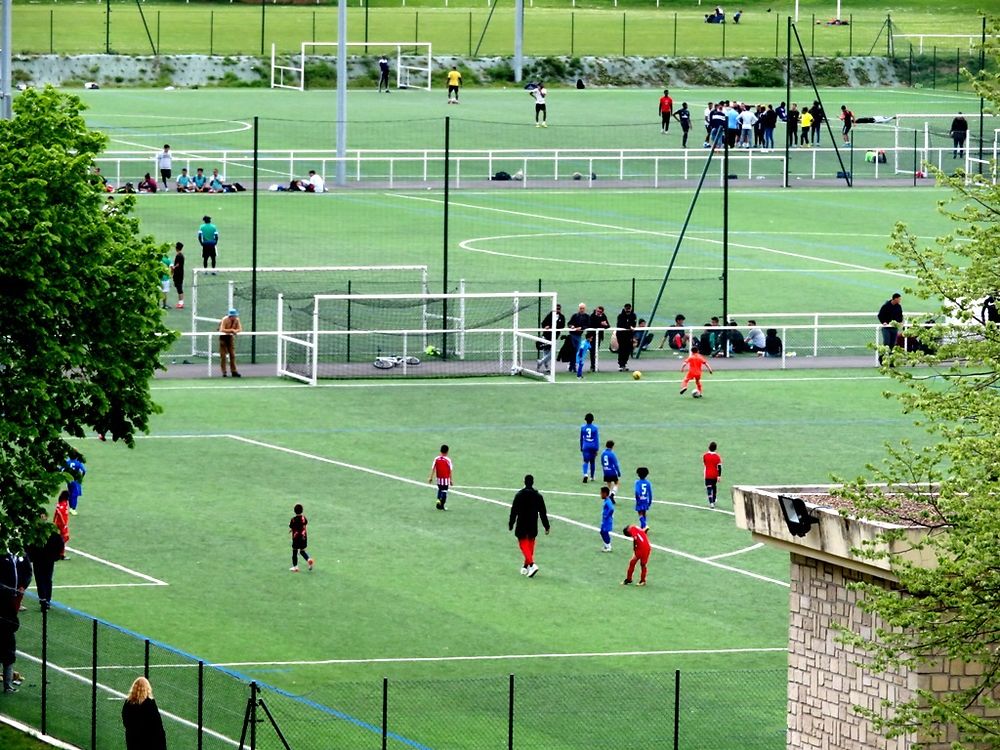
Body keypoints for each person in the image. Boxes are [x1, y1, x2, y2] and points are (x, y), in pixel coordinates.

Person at [0, 551, 32, 693]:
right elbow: (14, 622)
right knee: (8, 655)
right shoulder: (2, 556)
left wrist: (22, 586)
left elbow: (28, 571)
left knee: (9, 656)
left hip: (7, 629)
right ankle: (7, 685)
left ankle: (8, 685)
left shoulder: (21, 554)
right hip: (7, 630)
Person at [508, 474, 550, 578]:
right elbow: (543, 512)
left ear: (524, 482)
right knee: (530, 543)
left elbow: (514, 511)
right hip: (532, 522)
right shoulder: (538, 496)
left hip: (522, 521)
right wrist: (546, 526)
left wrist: (511, 523)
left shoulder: (519, 495)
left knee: (523, 543)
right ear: (533, 482)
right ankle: (526, 565)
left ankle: (532, 564)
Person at [26, 511, 65, 611]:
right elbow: (60, 542)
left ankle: (44, 600)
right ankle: (45, 600)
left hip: (42, 559)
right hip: (44, 559)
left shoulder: (35, 531)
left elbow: (27, 545)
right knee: (45, 579)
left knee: (43, 580)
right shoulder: (47, 530)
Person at [121, 676, 167, 750]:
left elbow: (125, 720)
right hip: (149, 742)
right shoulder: (150, 704)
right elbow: (158, 726)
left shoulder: (128, 703)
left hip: (133, 740)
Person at [536, 303, 565, 372]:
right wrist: (546, 326)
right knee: (546, 351)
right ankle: (546, 367)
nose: (558, 310)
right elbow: (543, 323)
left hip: (554, 336)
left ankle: (540, 362)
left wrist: (555, 327)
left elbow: (562, 326)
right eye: (556, 309)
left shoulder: (562, 317)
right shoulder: (550, 315)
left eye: (559, 309)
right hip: (547, 335)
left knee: (552, 352)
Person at [288, 503, 314, 572]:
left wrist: (292, 529)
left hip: (296, 538)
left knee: (295, 551)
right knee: (302, 551)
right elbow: (305, 523)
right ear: (302, 511)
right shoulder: (303, 518)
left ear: (294, 511)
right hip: (303, 537)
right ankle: (308, 559)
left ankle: (295, 567)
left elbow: (291, 526)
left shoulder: (293, 520)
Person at [877, 293, 903, 361]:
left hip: (894, 328)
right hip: (887, 328)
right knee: (887, 343)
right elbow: (880, 315)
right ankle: (882, 358)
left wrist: (900, 322)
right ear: (895, 299)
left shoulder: (898, 307)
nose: (900, 300)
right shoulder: (886, 306)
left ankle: (891, 360)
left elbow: (900, 315)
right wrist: (884, 322)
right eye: (899, 299)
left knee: (893, 344)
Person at [218, 308, 242, 377]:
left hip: (230, 338)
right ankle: (224, 372)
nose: (234, 317)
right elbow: (221, 329)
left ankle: (234, 371)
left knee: (232, 355)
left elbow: (240, 329)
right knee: (223, 356)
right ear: (230, 316)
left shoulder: (237, 320)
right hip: (223, 338)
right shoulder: (225, 319)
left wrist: (235, 331)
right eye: (233, 316)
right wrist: (232, 330)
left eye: (235, 316)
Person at [427, 444, 453, 511]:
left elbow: (433, 469)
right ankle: (442, 505)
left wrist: (430, 478)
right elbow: (450, 470)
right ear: (447, 452)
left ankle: (438, 501)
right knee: (444, 491)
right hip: (446, 479)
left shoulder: (436, 459)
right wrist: (451, 480)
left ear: (440, 451)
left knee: (440, 489)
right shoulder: (448, 460)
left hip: (438, 479)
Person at [567, 302, 591, 372]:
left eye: (583, 308)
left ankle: (573, 365)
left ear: (585, 309)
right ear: (579, 308)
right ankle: (572, 366)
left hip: (579, 335)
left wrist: (581, 328)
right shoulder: (575, 315)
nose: (582, 310)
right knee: (572, 351)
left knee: (577, 351)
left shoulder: (587, 316)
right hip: (572, 335)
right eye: (581, 308)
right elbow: (569, 323)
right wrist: (571, 326)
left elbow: (589, 325)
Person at [615, 303, 636, 371]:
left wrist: (631, 327)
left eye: (629, 309)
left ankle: (625, 363)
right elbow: (621, 324)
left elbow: (634, 324)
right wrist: (629, 326)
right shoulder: (621, 316)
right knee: (622, 349)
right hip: (621, 335)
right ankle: (621, 364)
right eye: (627, 309)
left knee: (628, 349)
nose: (628, 311)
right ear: (624, 308)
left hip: (629, 335)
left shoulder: (633, 315)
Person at [588, 305, 610, 372]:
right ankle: (592, 366)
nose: (598, 313)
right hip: (591, 336)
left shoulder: (603, 316)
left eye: (600, 312)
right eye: (598, 311)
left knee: (596, 351)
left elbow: (608, 325)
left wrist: (605, 325)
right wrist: (601, 323)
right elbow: (591, 324)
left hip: (599, 336)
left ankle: (595, 366)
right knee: (592, 351)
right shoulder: (592, 316)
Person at [580, 413, 599, 484]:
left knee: (585, 461)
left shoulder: (583, 428)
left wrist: (581, 446)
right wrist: (597, 448)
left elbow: (581, 438)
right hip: (593, 446)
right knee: (592, 461)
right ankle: (592, 477)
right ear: (592, 420)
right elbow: (596, 439)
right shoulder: (595, 428)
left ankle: (585, 474)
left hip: (585, 445)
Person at [703, 441, 723, 509]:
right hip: (714, 474)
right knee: (714, 487)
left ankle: (711, 502)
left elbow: (705, 464)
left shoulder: (705, 456)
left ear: (709, 447)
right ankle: (714, 499)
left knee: (709, 488)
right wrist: (719, 476)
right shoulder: (717, 457)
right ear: (716, 448)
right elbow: (719, 467)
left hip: (707, 474)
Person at [599, 486, 615, 553]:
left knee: (604, 532)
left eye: (601, 493)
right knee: (602, 532)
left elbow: (611, 509)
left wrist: (606, 515)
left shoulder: (608, 501)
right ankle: (606, 545)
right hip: (605, 520)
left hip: (607, 520)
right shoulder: (606, 500)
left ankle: (608, 546)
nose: (600, 494)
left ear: (605, 493)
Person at [171, 242, 185, 309]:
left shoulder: (179, 256)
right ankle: (180, 302)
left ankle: (181, 302)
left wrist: (173, 268)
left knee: (179, 288)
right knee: (178, 287)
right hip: (180, 273)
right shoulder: (180, 255)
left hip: (178, 274)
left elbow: (177, 265)